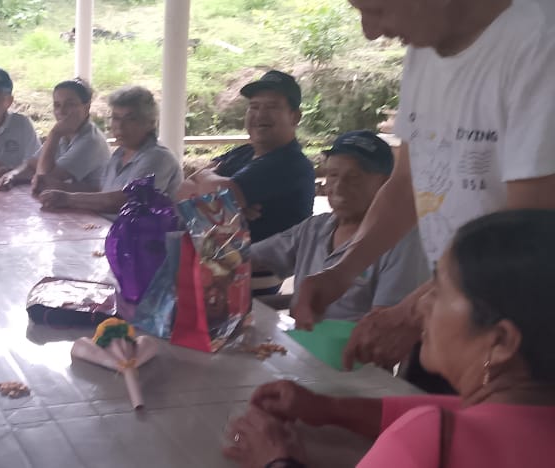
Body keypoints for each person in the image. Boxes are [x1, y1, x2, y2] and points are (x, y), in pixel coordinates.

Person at [291, 0, 555, 386]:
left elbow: (527, 235)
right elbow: (408, 182)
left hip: (518, 341)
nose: (370, 31)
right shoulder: (426, 44)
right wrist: (342, 271)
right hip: (449, 313)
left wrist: (410, 313)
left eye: (376, 8)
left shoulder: (541, 44)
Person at [223, 209, 555, 468]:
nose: (420, 306)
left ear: (500, 341)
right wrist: (328, 408)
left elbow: (434, 423)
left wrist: (276, 460)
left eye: (438, 290)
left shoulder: (429, 439)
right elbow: (448, 408)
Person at [249, 131, 429, 321]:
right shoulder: (314, 228)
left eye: (355, 177)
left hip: (356, 340)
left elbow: (387, 324)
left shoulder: (402, 242)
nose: (339, 186)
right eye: (333, 175)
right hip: (301, 337)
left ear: (385, 185)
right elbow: (248, 258)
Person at [177, 70, 316, 295]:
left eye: (272, 106)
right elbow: (181, 189)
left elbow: (220, 192)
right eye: (254, 106)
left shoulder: (289, 163)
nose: (260, 114)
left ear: (295, 117)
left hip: (245, 281)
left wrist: (214, 190)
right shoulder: (244, 152)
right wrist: (217, 200)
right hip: (213, 265)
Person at [37, 85, 182, 214]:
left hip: (146, 235)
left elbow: (125, 200)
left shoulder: (158, 157)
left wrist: (68, 198)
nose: (120, 126)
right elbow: (103, 193)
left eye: (130, 119)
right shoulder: (119, 155)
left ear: (151, 123)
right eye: (116, 118)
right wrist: (61, 188)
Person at [0, 78, 110, 193]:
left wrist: (54, 134)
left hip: (89, 205)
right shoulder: (65, 133)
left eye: (70, 105)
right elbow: (32, 165)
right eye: (57, 105)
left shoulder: (90, 141)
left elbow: (43, 179)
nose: (62, 111)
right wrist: (12, 175)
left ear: (87, 107)